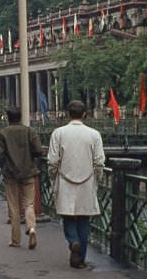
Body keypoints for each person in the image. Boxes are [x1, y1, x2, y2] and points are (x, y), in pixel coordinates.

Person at [47, 100, 106, 269]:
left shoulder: (58, 133)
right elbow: (99, 161)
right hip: (87, 181)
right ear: (85, 114)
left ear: (67, 114)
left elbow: (52, 160)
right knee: (84, 219)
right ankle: (81, 259)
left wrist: (54, 177)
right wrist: (97, 179)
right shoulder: (94, 134)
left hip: (65, 180)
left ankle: (73, 241)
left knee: (68, 216)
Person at [0, 107, 43, 250]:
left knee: (14, 207)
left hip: (10, 174)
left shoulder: (2, 133)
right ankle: (31, 227)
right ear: (21, 117)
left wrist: (1, 166)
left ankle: (15, 239)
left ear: (8, 118)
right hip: (28, 171)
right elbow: (39, 150)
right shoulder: (29, 131)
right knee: (29, 204)